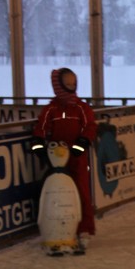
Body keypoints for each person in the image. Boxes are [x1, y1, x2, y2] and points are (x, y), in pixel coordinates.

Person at [32, 68, 98, 249]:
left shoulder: (81, 108)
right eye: (67, 84)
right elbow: (41, 128)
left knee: (82, 191)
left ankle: (84, 229)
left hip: (77, 157)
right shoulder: (51, 109)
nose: (71, 87)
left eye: (73, 84)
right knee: (57, 191)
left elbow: (90, 127)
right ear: (58, 85)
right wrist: (39, 145)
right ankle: (57, 227)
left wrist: (82, 142)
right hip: (57, 158)